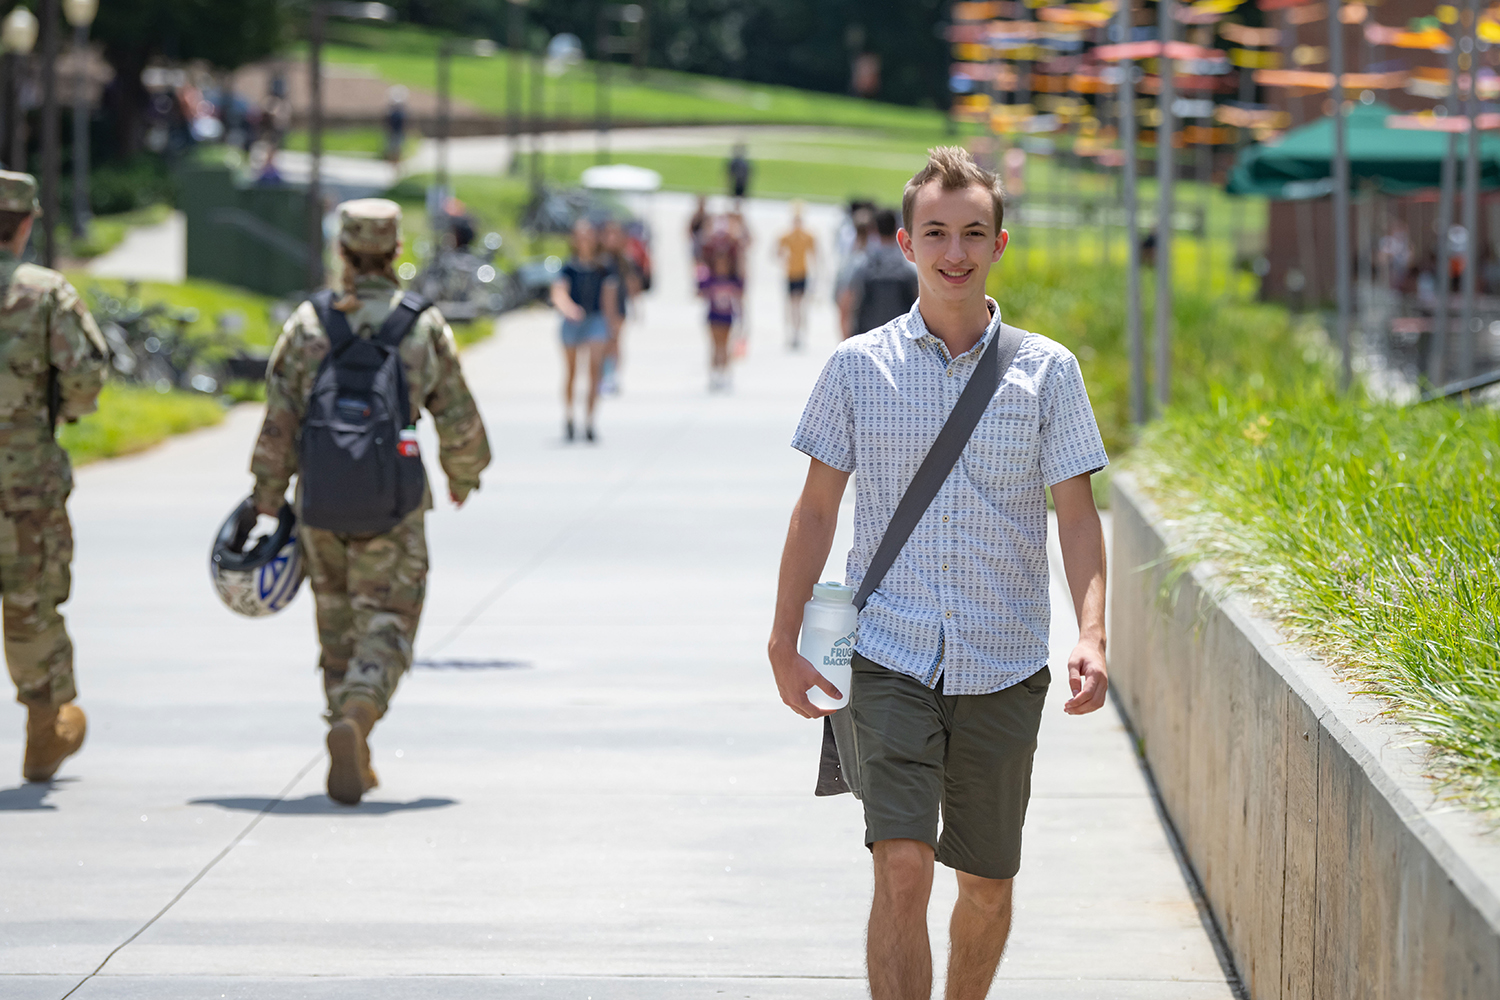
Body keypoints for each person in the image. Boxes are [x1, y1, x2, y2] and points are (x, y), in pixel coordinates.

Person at [766, 147, 1109, 1000]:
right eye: (936, 233)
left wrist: (1094, 633)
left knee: (987, 886)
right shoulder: (856, 368)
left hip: (1003, 657)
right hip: (888, 653)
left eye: (972, 233)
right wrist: (782, 639)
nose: (953, 251)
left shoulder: (1048, 372)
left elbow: (1076, 517)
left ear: (999, 245)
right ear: (905, 242)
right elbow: (815, 514)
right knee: (904, 869)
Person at [250, 198, 490, 806]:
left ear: (342, 253)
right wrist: (464, 474)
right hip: (394, 504)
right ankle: (359, 715)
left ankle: (345, 728)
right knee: (390, 619)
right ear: (395, 252)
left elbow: (279, 419)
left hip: (321, 502)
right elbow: (457, 416)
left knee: (336, 625)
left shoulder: (308, 324)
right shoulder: (421, 325)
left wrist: (267, 496)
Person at [0, 171, 108, 783]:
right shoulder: (45, 294)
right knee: (31, 601)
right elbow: (86, 378)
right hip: (26, 483)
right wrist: (59, 410)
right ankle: (45, 729)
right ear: (25, 223)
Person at [550, 219, 619, 441]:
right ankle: (569, 416)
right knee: (571, 371)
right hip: (573, 323)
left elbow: (609, 300)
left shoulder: (604, 267)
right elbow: (559, 292)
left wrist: (613, 331)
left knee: (594, 370)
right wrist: (569, 309)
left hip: (596, 320)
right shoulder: (569, 267)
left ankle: (590, 420)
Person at [840, 208, 918, 339]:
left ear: (873, 231)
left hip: (866, 341)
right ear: (896, 229)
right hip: (901, 343)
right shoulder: (909, 268)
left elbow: (845, 307)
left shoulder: (861, 264)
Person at [599, 218, 643, 396]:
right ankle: (603, 375)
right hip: (601, 307)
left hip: (619, 306)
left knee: (615, 341)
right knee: (602, 342)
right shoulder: (600, 260)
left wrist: (636, 306)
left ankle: (613, 376)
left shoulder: (625, 260)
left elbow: (632, 284)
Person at [699, 241, 743, 392]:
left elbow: (739, 296)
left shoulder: (733, 280)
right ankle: (714, 374)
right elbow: (699, 293)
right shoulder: (710, 280)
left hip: (727, 316)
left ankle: (725, 374)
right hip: (713, 316)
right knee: (714, 345)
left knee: (725, 346)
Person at [777, 202, 817, 350]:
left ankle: (798, 333)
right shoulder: (786, 236)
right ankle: (793, 333)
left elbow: (814, 255)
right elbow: (777, 253)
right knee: (792, 306)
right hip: (790, 273)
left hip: (802, 273)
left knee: (798, 305)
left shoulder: (808, 236)